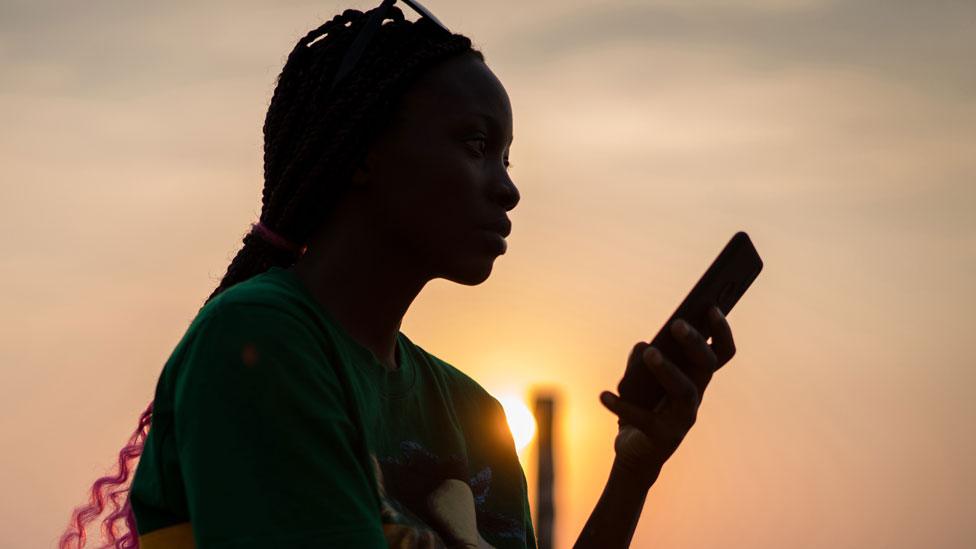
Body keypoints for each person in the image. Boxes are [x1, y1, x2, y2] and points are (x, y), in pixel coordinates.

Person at [60, 1, 737, 548]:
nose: (508, 190)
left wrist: (634, 470)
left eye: (507, 157)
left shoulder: (477, 416)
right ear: (364, 153)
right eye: (476, 146)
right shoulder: (259, 340)